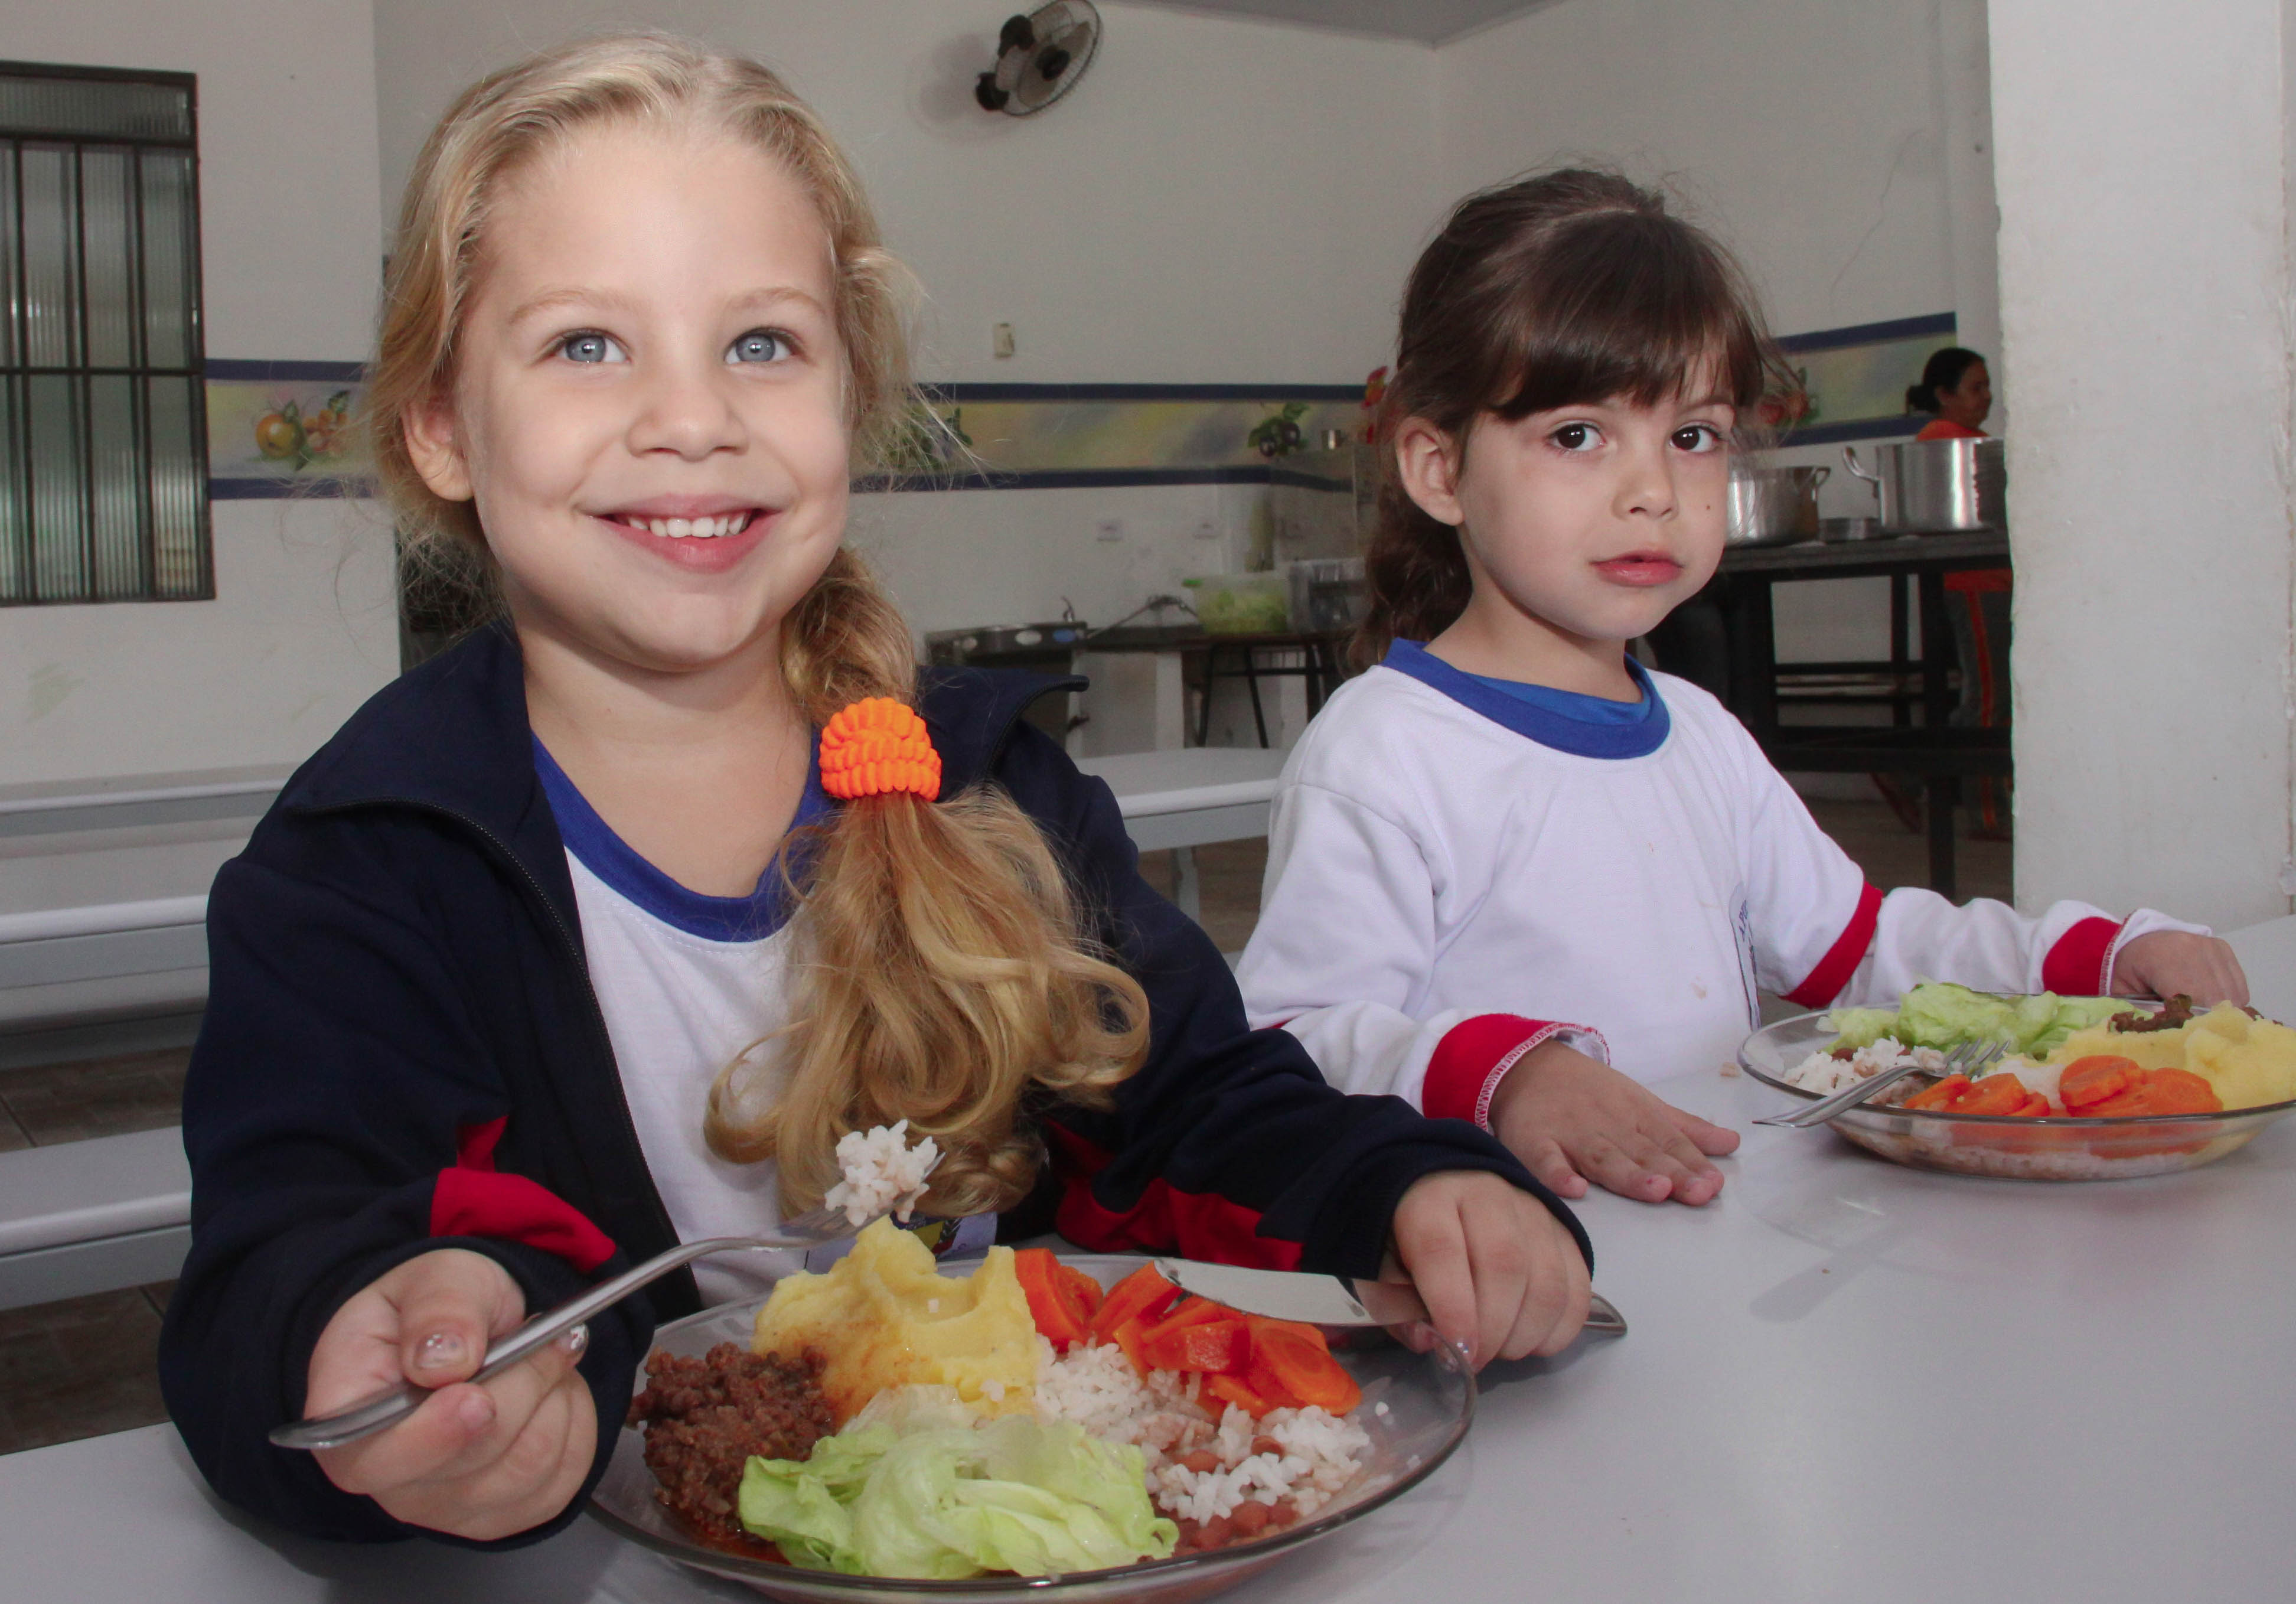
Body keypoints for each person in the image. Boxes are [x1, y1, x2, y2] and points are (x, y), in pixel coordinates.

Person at [158, 37, 1591, 1549]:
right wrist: (374, 1349)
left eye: (761, 344)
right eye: (587, 345)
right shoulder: (365, 864)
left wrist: (1404, 1184)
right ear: (441, 426)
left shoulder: (986, 785)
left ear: (851, 399)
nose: (692, 418)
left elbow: (1196, 1117)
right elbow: (273, 1263)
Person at [1234, 171, 2248, 1212]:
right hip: (1533, 1260)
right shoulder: (1385, 752)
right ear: (1438, 469)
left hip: (1726, 1233)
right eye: (1576, 435)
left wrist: (2085, 953)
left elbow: (1856, 952)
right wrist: (1509, 1075)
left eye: (1692, 436)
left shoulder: (1699, 734)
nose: (1653, 492)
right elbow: (1289, 1038)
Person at [1907, 347, 1992, 440]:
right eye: (1976, 388)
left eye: (1987, 386)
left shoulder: (1974, 436)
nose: (1988, 396)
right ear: (1943, 396)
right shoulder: (1941, 438)